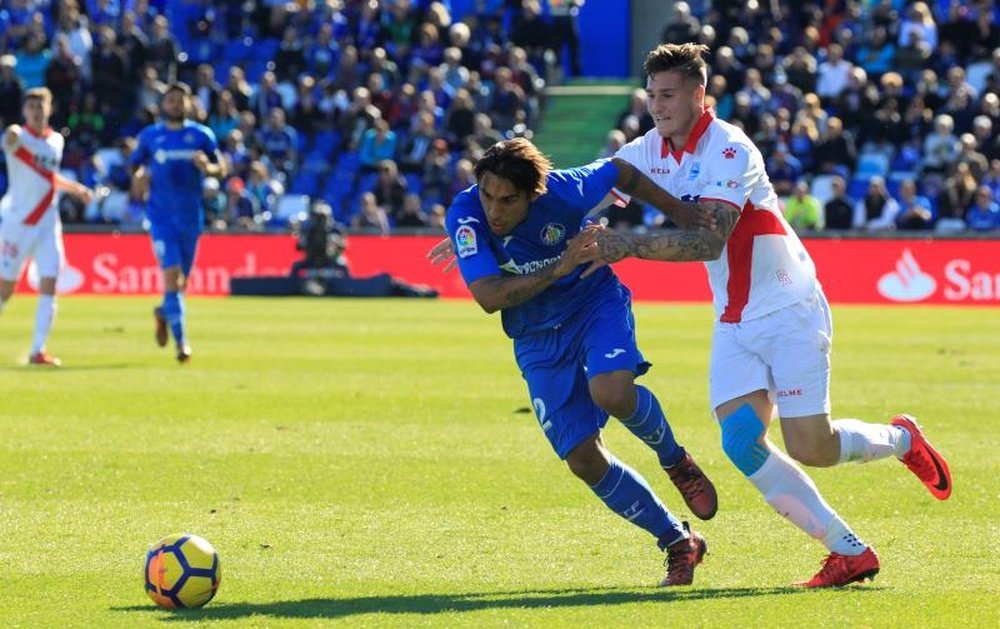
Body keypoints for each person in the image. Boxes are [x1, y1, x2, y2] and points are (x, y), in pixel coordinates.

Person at [583, 43, 952, 588]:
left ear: (698, 94)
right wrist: (490, 214)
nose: (657, 106)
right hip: (734, 321)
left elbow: (710, 241)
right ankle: (847, 550)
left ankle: (901, 439)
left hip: (789, 309)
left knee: (813, 447)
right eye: (652, 95)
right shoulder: (649, 150)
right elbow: (582, 185)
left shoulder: (731, 149)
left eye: (668, 95)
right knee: (738, 442)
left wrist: (625, 245)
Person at [429, 138, 718, 587]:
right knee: (582, 458)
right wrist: (559, 266)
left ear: (533, 195)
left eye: (507, 200)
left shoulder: (564, 190)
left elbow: (621, 170)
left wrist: (678, 212)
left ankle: (675, 460)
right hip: (535, 334)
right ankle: (679, 542)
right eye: (487, 195)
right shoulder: (466, 217)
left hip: (592, 302)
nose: (494, 210)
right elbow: (488, 298)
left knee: (613, 391)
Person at [130, 82, 227, 363]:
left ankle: (163, 312)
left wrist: (208, 168)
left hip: (190, 218)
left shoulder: (201, 135)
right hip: (161, 218)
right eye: (170, 100)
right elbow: (134, 166)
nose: (175, 104)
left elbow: (221, 167)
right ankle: (182, 344)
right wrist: (138, 177)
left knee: (180, 284)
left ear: (188, 105)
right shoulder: (150, 136)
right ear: (163, 104)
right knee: (172, 278)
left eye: (179, 101)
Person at [0, 87, 92, 366]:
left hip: (48, 223)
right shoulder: (19, 138)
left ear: (50, 109)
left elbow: (49, 177)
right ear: (25, 111)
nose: (37, 112)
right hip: (18, 223)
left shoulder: (55, 142)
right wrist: (13, 131)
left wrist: (75, 188)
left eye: (41, 107)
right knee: (5, 290)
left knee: (50, 282)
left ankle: (37, 350)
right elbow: (10, 140)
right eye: (31, 108)